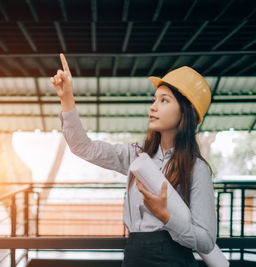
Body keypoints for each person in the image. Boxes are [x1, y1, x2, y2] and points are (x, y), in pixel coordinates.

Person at [50, 53, 217, 266]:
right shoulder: (136, 156)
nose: (153, 106)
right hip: (134, 256)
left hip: (174, 260)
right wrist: (67, 99)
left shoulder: (197, 169)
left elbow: (206, 241)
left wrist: (167, 217)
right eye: (154, 99)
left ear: (185, 113)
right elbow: (83, 147)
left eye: (164, 100)